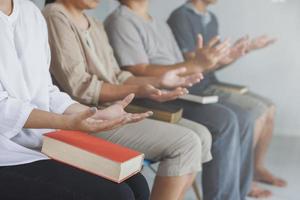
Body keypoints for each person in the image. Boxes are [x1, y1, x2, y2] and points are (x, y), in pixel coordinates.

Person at [43, 0, 213, 199]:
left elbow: (118, 75)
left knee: (202, 135)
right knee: (186, 143)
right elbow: (81, 87)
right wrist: (140, 89)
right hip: (85, 117)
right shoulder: (54, 15)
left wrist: (159, 82)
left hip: (113, 109)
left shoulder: (93, 22)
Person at [0, 0, 155, 199]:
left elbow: (45, 90)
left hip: (41, 141)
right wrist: (68, 123)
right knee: (117, 195)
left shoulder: (30, 13)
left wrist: (91, 114)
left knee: (137, 183)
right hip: (6, 155)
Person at [105, 0, 256, 199]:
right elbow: (138, 69)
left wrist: (212, 63)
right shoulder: (121, 20)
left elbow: (185, 66)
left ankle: (237, 194)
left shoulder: (159, 24)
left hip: (181, 89)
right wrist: (194, 65)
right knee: (224, 120)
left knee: (243, 116)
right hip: (154, 95)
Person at [167, 0, 287, 198]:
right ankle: (243, 180)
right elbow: (193, 65)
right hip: (193, 87)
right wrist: (226, 57)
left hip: (210, 83)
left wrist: (237, 53)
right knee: (252, 113)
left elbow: (211, 65)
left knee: (269, 107)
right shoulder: (180, 17)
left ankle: (251, 172)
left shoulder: (211, 18)